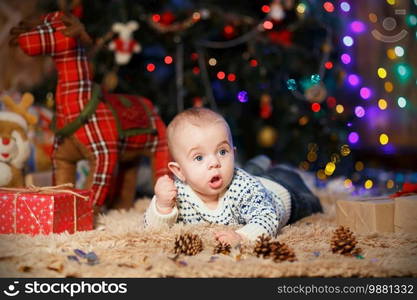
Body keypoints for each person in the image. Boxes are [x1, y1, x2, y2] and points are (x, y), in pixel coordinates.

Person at [144, 108, 322, 245]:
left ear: (233, 154)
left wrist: (242, 236)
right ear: (179, 171)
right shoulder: (179, 192)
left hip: (282, 191)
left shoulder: (244, 187)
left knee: (309, 200)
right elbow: (152, 231)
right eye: (199, 157)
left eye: (222, 151)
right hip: (253, 178)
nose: (214, 162)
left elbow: (267, 218)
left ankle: (266, 167)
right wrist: (162, 206)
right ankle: (258, 165)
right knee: (251, 172)